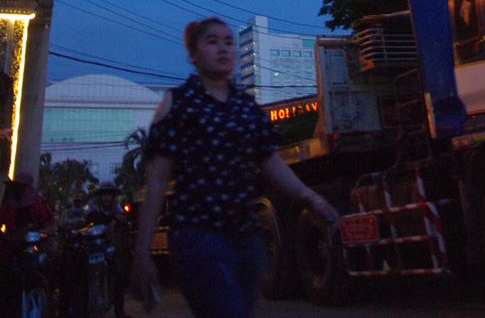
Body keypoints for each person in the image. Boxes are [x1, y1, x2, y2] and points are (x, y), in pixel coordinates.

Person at [130, 16, 339, 318]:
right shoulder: (177, 103)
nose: (223, 48)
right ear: (193, 53)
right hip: (198, 237)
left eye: (228, 42)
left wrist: (312, 198)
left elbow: (271, 163)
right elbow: (158, 180)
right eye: (212, 41)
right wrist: (142, 252)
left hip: (246, 237)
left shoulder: (245, 107)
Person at [85, 181, 131, 318]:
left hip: (108, 244)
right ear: (100, 195)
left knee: (118, 275)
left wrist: (115, 221)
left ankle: (119, 312)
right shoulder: (93, 205)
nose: (106, 197)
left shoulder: (116, 206)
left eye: (109, 194)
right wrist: (111, 219)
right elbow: (91, 218)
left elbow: (123, 219)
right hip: (92, 244)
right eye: (104, 194)